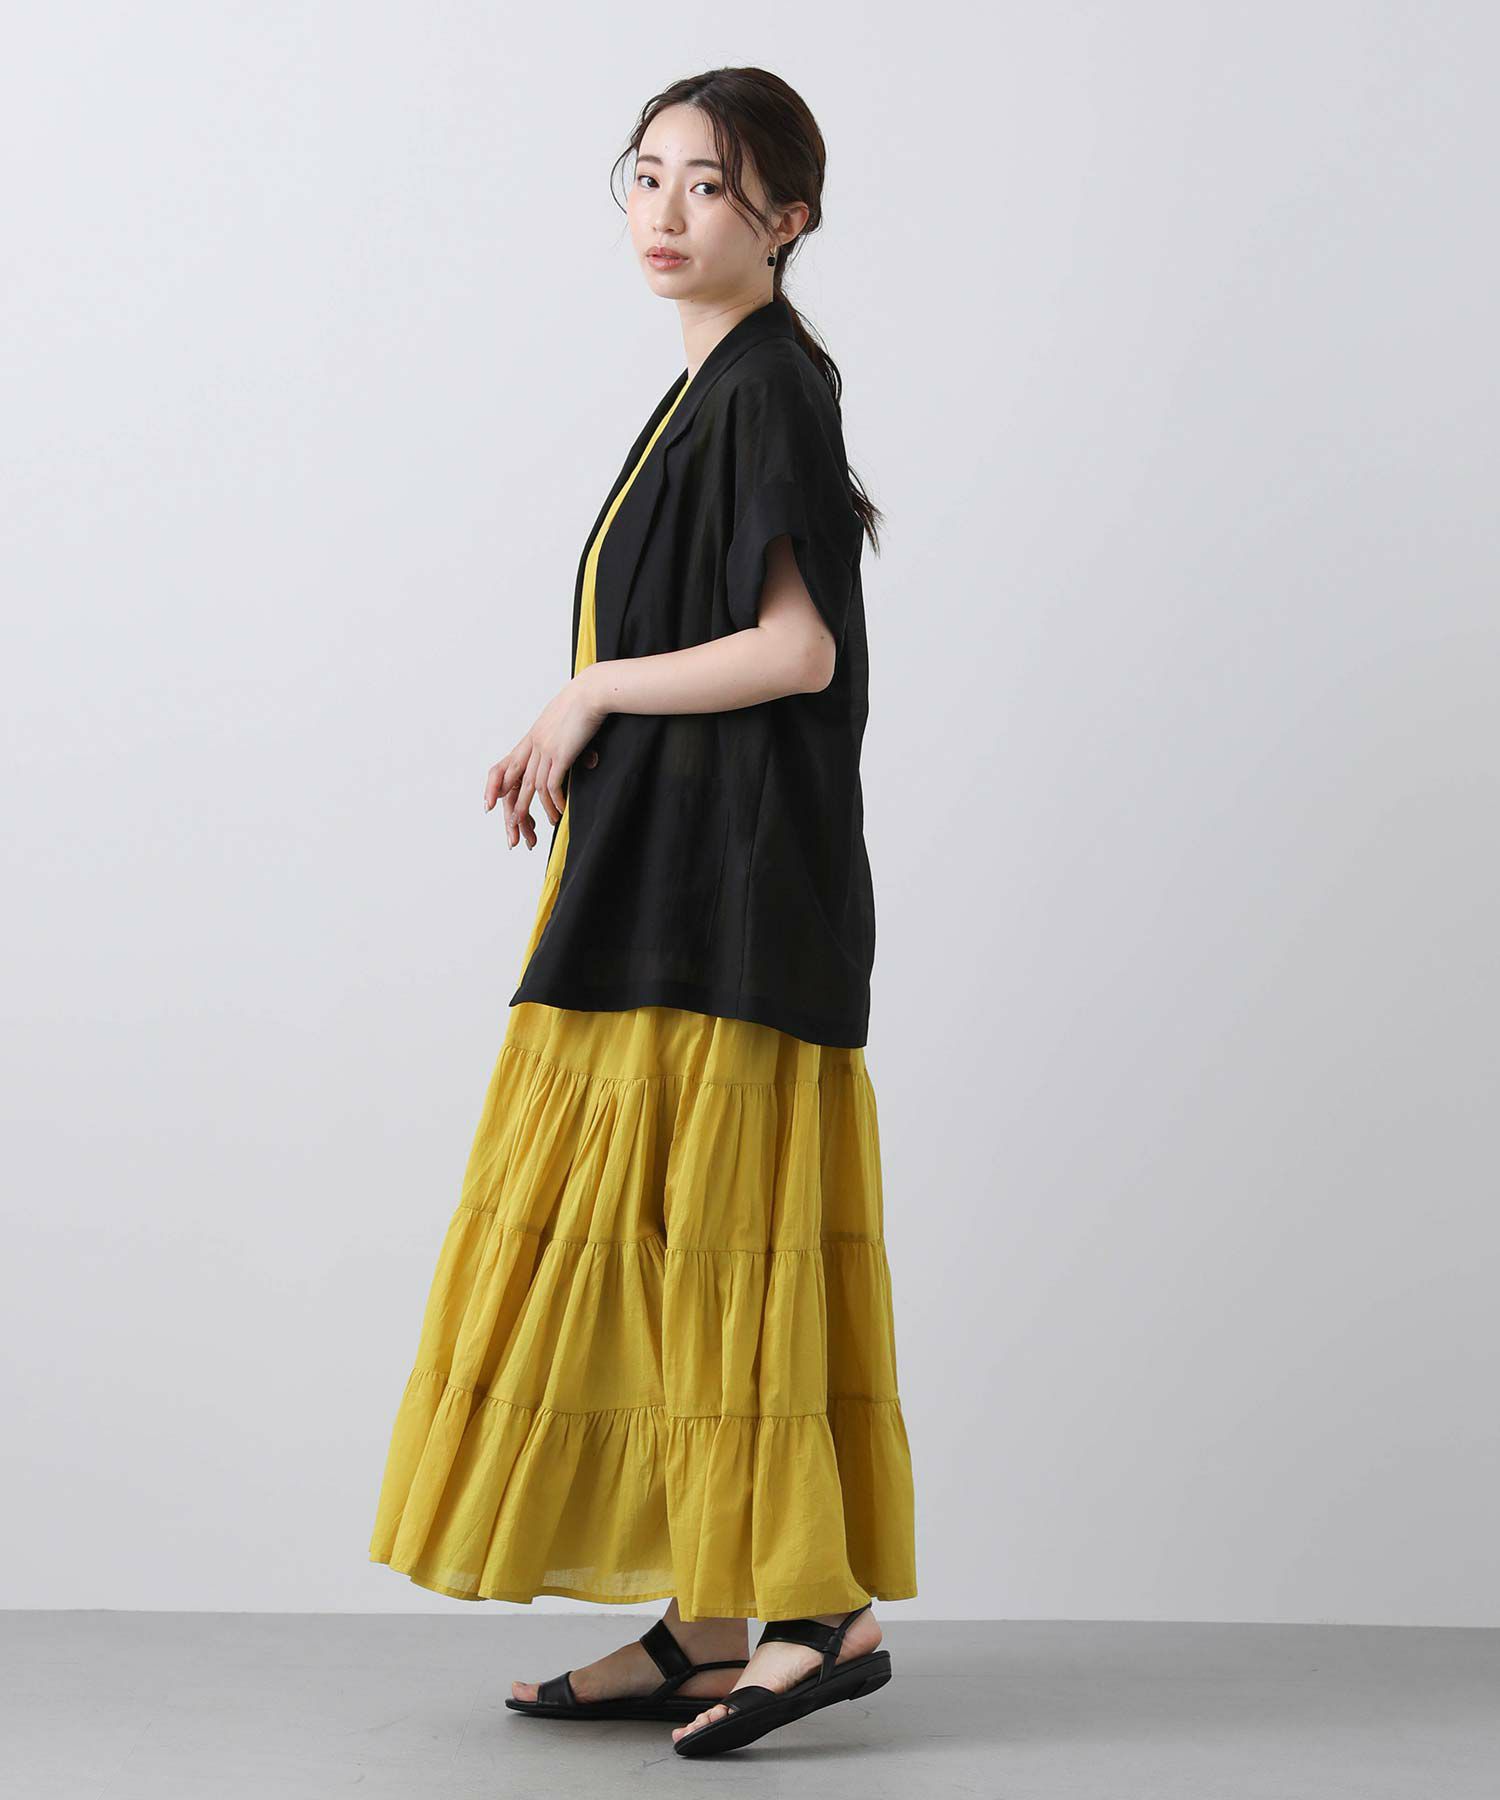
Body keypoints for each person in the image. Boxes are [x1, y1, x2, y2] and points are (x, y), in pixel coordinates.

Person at [367, 66, 917, 1758]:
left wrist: (592, 688)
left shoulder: (768, 389)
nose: (669, 212)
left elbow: (797, 650)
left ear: (789, 219)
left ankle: (816, 1613)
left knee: (720, 1236)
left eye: (713, 186)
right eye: (650, 176)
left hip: (735, 907)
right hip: (677, 891)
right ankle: (713, 1621)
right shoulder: (713, 389)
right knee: (669, 1242)